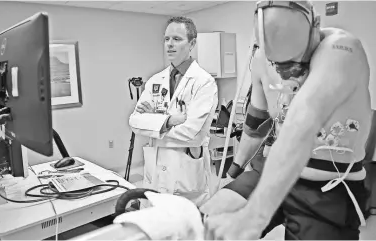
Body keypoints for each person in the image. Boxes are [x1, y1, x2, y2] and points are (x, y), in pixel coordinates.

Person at [201, 1, 373, 240]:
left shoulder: (342, 49)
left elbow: (300, 125)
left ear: (316, 27)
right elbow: (255, 126)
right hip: (271, 170)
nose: (285, 74)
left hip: (325, 188)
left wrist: (252, 217)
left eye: (294, 64)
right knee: (209, 221)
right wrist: (232, 173)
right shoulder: (260, 58)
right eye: (276, 64)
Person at [129, 16, 218, 206]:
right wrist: (169, 120)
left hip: (185, 172)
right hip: (155, 172)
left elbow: (191, 133)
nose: (170, 44)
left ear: (192, 43)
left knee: (186, 231)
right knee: (157, 228)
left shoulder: (204, 82)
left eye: (177, 39)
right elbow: (134, 122)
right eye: (166, 39)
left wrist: (152, 122)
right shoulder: (155, 80)